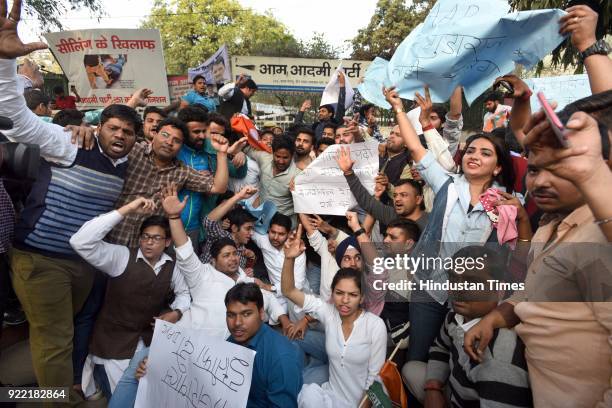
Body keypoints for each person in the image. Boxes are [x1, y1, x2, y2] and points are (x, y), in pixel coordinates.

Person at [0, 12, 143, 399]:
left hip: (83, 264)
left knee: (55, 337)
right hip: (40, 260)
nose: (120, 135)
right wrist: (4, 61)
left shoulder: (129, 162)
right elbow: (16, 120)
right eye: (113, 127)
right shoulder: (69, 142)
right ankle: (55, 402)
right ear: (98, 127)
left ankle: (28, 393)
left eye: (128, 132)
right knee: (57, 338)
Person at [464, 110, 612, 408]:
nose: (541, 182)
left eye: (559, 169)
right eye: (534, 170)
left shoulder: (598, 242)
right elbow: (533, 293)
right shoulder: (546, 227)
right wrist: (494, 318)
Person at [384, 85, 530, 363]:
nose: (475, 156)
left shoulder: (510, 202)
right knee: (418, 356)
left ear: (498, 167)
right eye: (471, 150)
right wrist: (399, 109)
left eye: (486, 153)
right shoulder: (447, 185)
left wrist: (521, 218)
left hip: (475, 299)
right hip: (430, 290)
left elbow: (521, 255)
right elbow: (415, 147)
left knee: (461, 361)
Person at [69, 197, 191, 398]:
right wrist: (127, 209)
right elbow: (80, 242)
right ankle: (97, 375)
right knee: (126, 397)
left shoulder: (172, 266)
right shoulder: (121, 257)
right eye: (145, 236)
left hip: (145, 339)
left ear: (168, 241)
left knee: (155, 391)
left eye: (156, 238)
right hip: (112, 343)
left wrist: (176, 313)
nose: (149, 242)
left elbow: (184, 294)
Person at [405, 246, 531, 407]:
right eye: (453, 278)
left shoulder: (498, 355)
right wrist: (433, 388)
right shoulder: (455, 315)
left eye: (472, 282)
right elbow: (440, 348)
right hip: (455, 394)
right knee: (410, 369)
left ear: (499, 290)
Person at [281, 224, 387, 408]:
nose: (345, 300)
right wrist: (289, 259)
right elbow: (289, 291)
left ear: (362, 297)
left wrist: (356, 227)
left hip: (362, 402)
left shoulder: (375, 326)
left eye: (353, 295)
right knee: (305, 391)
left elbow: (375, 379)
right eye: (339, 293)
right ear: (332, 293)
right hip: (332, 394)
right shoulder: (328, 311)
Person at [107, 116, 232, 248]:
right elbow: (107, 138)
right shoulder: (133, 151)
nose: (169, 142)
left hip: (146, 249)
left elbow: (219, 187)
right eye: (165, 135)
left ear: (181, 146)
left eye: (176, 140)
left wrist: (222, 153)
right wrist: (83, 130)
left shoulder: (182, 172)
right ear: (155, 134)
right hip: (110, 237)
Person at [337, 149, 429, 230]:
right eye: (395, 195)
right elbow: (366, 201)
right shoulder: (392, 216)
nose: (397, 199)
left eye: (403, 195)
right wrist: (349, 173)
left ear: (418, 199)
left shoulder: (432, 222)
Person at [251, 212, 308, 310]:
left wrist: (270, 287)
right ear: (268, 229)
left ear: (289, 233)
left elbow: (298, 284)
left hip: (297, 294)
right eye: (273, 232)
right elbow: (246, 229)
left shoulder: (297, 250)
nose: (275, 237)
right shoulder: (263, 240)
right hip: (276, 297)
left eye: (281, 234)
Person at [242, 134, 300, 220]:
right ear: (272, 152)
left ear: (292, 155)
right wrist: (241, 153)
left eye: (285, 157)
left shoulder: (298, 176)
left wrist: (296, 193)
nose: (281, 161)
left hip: (283, 226)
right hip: (260, 218)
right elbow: (247, 149)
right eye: (277, 156)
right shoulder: (264, 158)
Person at [200, 185, 258, 269]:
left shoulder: (243, 252)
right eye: (248, 228)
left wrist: (252, 258)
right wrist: (239, 196)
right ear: (234, 228)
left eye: (252, 229)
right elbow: (208, 222)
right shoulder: (220, 236)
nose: (251, 233)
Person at [294, 73, 346, 140]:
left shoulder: (336, 123)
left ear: (330, 114)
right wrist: (302, 108)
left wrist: (342, 85)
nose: (320, 113)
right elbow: (297, 125)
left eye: (323, 111)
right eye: (319, 111)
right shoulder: (315, 126)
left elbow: (341, 105)